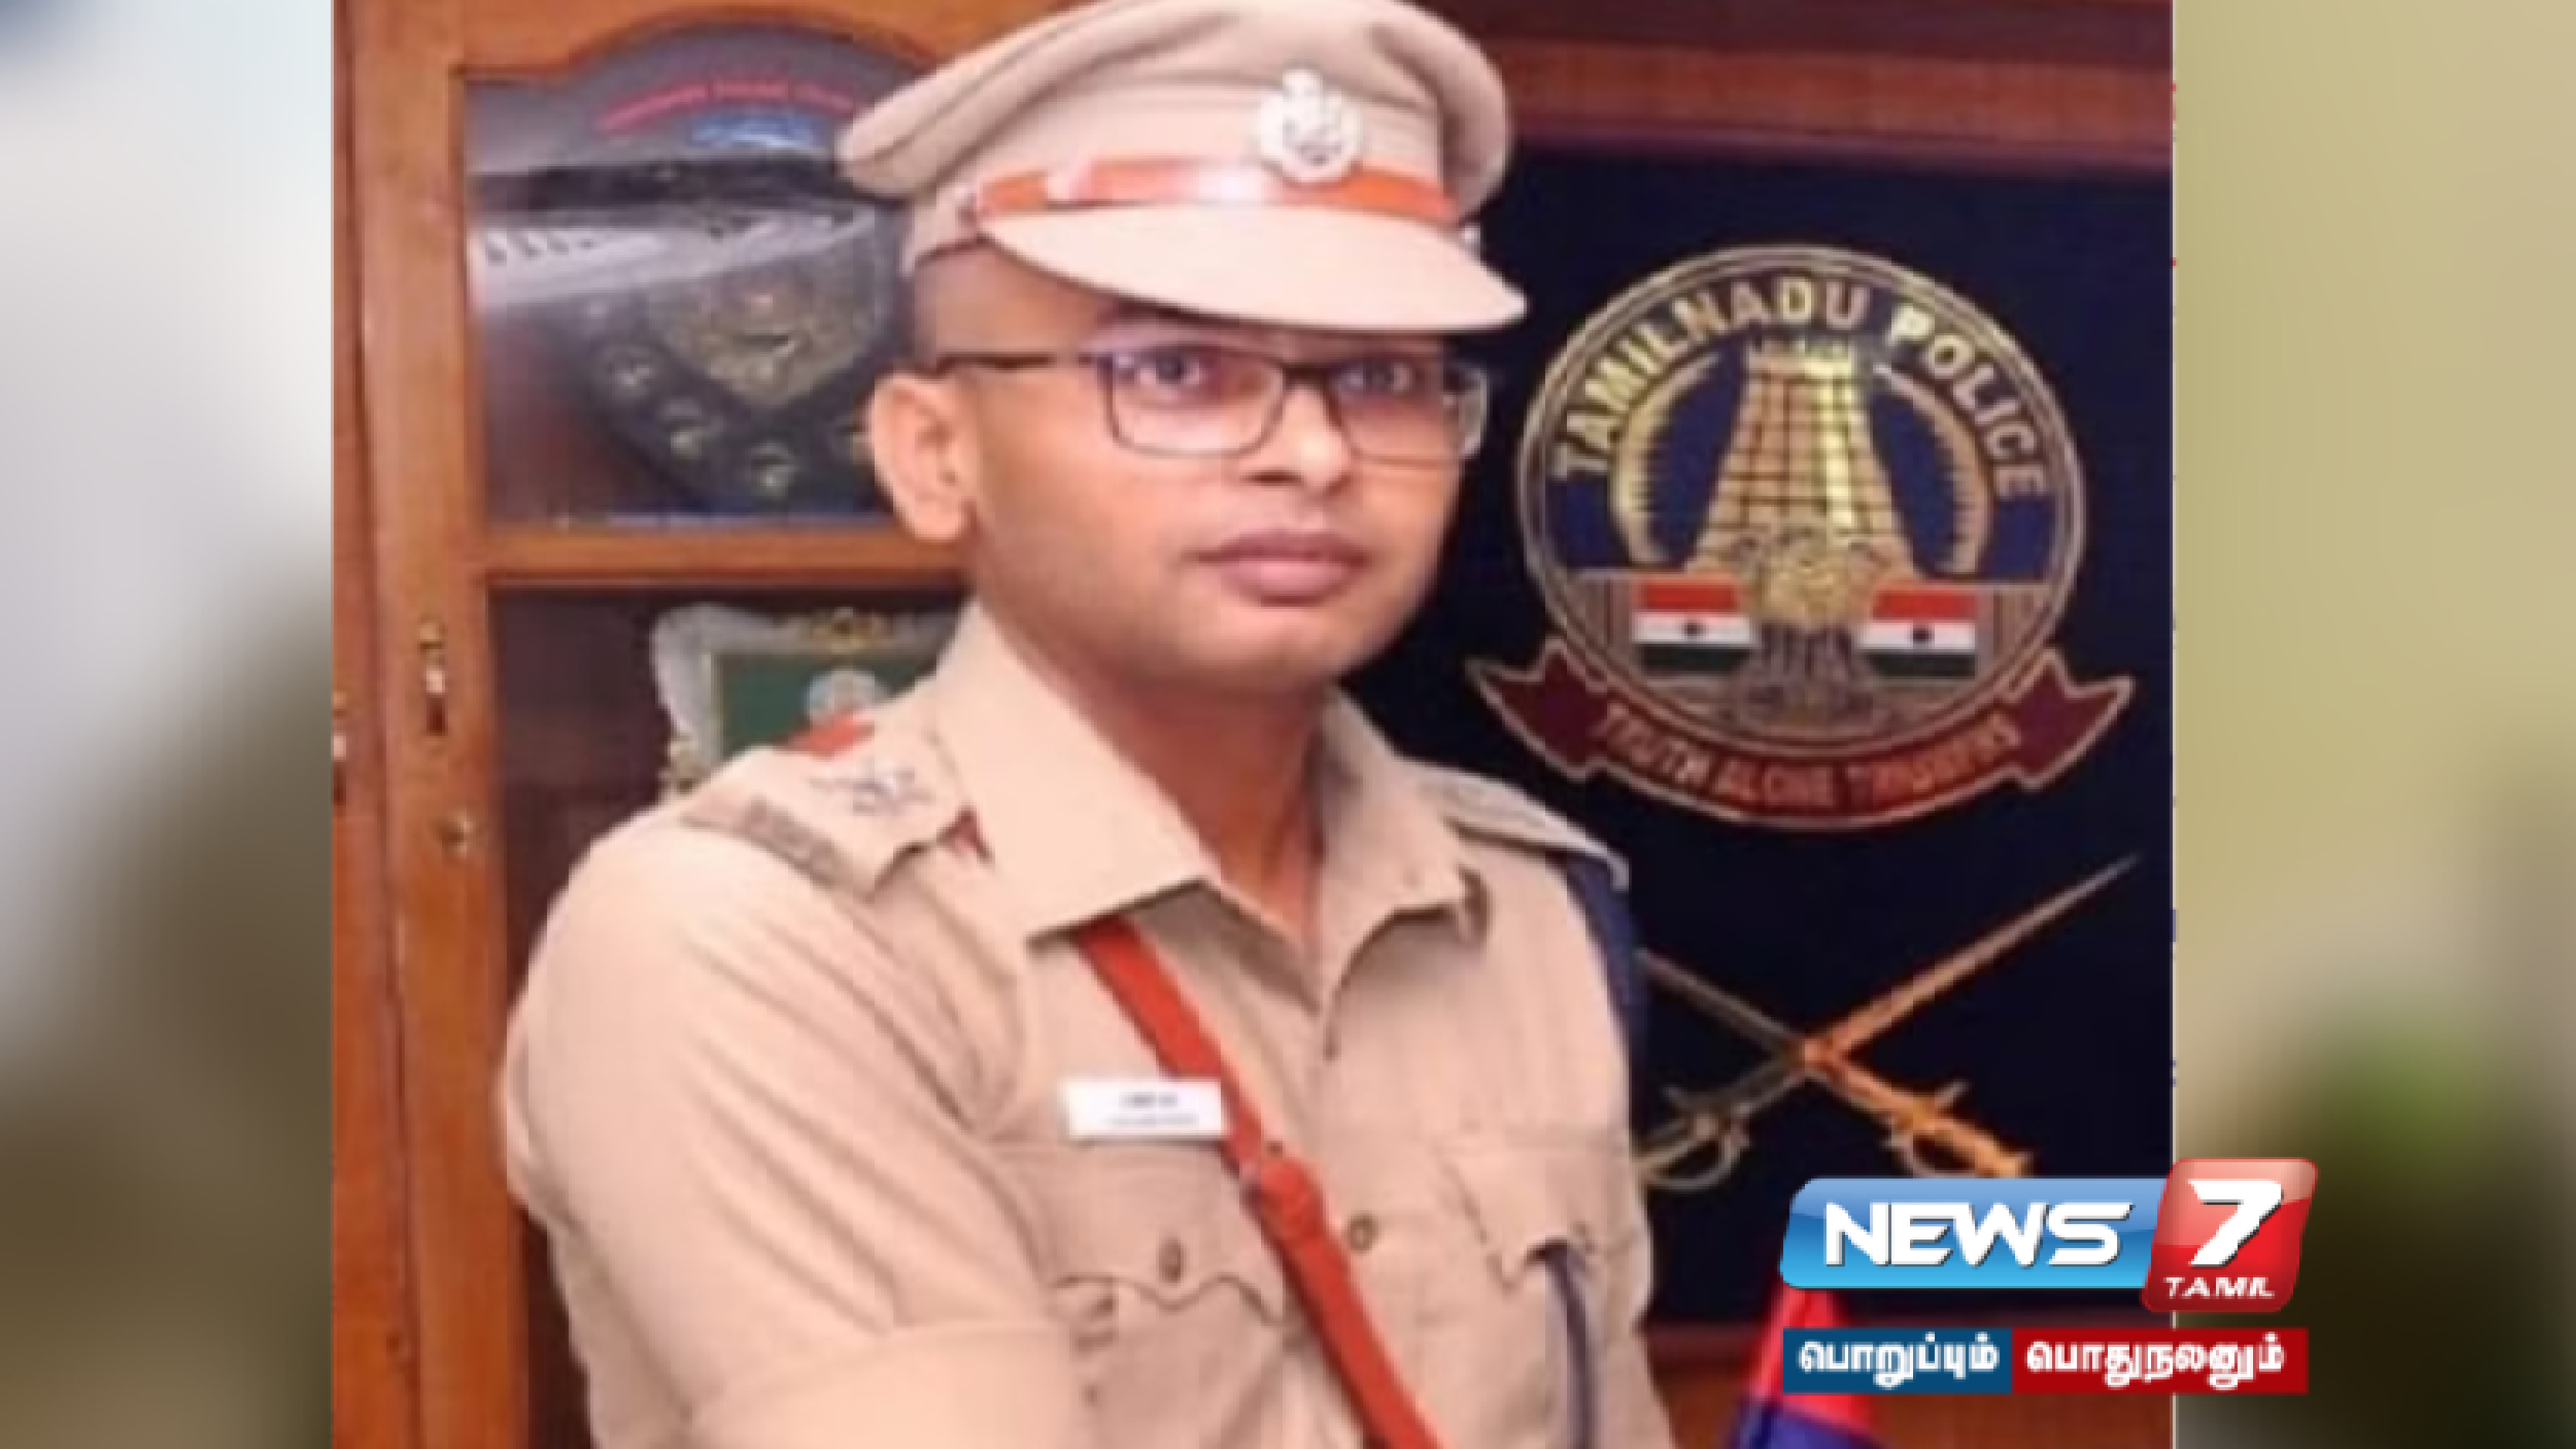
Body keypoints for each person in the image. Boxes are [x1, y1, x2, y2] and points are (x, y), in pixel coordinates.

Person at [499, 1, 1677, 1446]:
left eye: (1381, 379)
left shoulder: (1521, 912)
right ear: (934, 454)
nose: (1312, 453)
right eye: (1173, 371)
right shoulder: (759, 936)